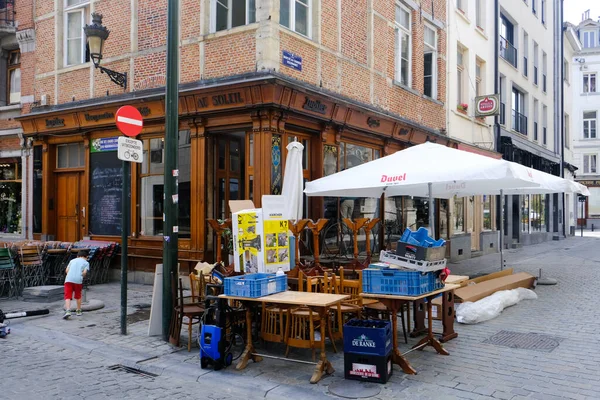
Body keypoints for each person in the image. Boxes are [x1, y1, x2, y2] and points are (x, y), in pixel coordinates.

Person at [63, 250, 90, 319]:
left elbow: (66, 270)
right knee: (78, 295)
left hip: (68, 280)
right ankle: (78, 310)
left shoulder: (72, 261)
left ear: (77, 256)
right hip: (78, 281)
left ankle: (68, 310)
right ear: (86, 257)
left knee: (67, 296)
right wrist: (81, 276)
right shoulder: (86, 263)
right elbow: (84, 272)